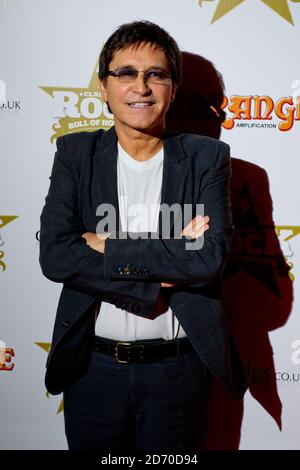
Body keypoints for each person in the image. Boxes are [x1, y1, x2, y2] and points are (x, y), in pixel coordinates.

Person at [39, 20, 248, 452]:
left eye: (157, 74)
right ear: (103, 86)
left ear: (172, 87)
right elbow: (57, 256)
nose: (142, 86)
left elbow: (207, 259)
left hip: (177, 372)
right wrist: (163, 266)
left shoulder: (206, 158)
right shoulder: (76, 154)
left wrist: (105, 245)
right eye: (126, 73)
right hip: (92, 370)